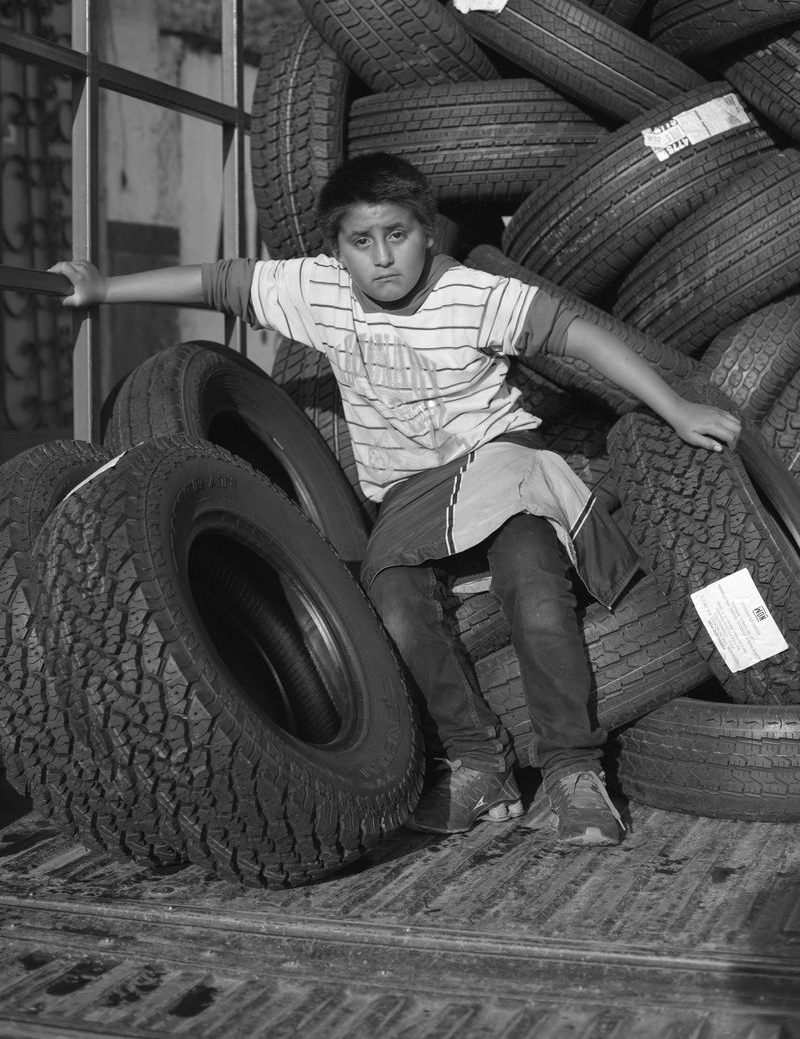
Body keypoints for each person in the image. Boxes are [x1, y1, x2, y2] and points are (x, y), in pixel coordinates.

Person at [51, 152, 740, 848]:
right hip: (411, 496)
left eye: (398, 235)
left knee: (534, 587)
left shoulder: (472, 295)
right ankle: (478, 764)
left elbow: (579, 333)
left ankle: (573, 770)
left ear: (427, 234)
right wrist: (104, 289)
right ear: (335, 251)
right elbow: (217, 283)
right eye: (361, 241)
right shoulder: (316, 291)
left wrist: (676, 406)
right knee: (395, 601)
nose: (383, 258)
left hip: (501, 465)